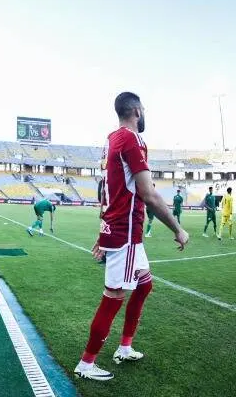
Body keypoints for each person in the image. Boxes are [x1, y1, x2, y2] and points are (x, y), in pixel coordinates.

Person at [74, 92, 188, 381]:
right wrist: (177, 228)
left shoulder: (111, 139)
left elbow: (108, 190)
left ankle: (124, 347)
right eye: (144, 110)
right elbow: (148, 194)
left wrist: (103, 230)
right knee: (114, 295)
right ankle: (86, 364)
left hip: (124, 231)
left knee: (144, 285)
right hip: (125, 232)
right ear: (137, 111)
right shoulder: (133, 140)